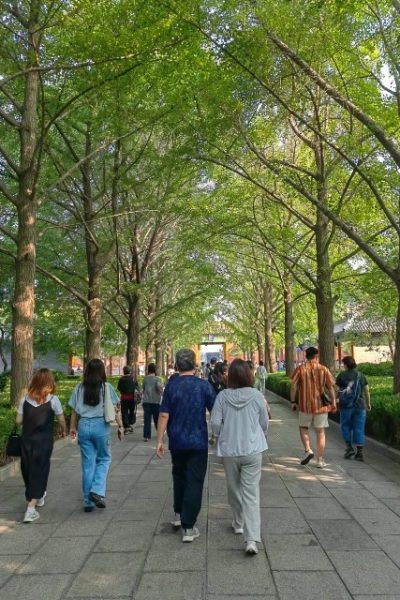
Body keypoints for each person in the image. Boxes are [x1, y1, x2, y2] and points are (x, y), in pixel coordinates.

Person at [156, 348, 216, 542]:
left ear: (176, 365)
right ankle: (188, 526)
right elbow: (215, 411)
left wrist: (159, 440)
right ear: (195, 364)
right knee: (195, 481)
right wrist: (217, 434)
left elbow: (164, 414)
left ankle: (178, 514)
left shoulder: (171, 387)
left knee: (179, 476)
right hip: (198, 441)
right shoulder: (204, 386)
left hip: (177, 440)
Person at [211, 359, 268, 556]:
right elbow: (264, 422)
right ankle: (251, 539)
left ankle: (238, 522)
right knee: (251, 494)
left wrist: (217, 437)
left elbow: (216, 423)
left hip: (230, 449)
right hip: (253, 449)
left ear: (230, 377)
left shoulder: (222, 396)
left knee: (233, 488)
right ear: (249, 375)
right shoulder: (257, 395)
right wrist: (259, 434)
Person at [69, 358, 123, 511]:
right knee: (104, 459)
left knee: (87, 464)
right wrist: (120, 426)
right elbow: (115, 409)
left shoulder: (79, 388)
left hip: (84, 425)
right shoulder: (106, 387)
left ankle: (88, 501)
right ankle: (97, 491)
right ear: (102, 371)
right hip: (101, 426)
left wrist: (72, 427)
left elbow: (74, 410)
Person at [16, 369, 66, 523]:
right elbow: (61, 419)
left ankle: (38, 495)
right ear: (50, 383)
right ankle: (31, 509)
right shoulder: (53, 400)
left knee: (29, 470)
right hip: (44, 442)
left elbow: (18, 421)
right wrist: (64, 430)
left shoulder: (24, 400)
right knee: (40, 470)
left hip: (27, 441)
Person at [290, 347, 337, 468]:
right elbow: (331, 387)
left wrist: (293, 401)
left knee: (303, 427)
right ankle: (320, 460)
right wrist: (334, 403)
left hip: (305, 406)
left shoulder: (300, 369)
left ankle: (308, 450)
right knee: (320, 432)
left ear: (306, 356)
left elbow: (294, 386)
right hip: (321, 406)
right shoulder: (323, 369)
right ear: (317, 356)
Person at [336, 356, 371, 461]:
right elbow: (366, 391)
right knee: (359, 428)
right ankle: (359, 453)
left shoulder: (341, 375)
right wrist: (368, 403)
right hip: (360, 406)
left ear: (345, 365)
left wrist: (336, 401)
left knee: (345, 426)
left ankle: (349, 448)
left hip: (346, 405)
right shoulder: (361, 375)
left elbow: (336, 390)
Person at [142, 362, 163, 441]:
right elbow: (159, 388)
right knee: (157, 419)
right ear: (155, 370)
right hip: (156, 401)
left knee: (147, 419)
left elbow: (143, 389)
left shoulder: (145, 379)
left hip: (146, 401)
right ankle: (159, 434)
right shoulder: (157, 379)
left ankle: (146, 436)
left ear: (148, 370)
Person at [117, 366, 140, 434]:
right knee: (132, 411)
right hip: (132, 398)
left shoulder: (121, 379)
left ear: (124, 371)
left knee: (124, 412)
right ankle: (129, 424)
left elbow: (119, 388)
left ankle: (127, 426)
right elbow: (137, 387)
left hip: (124, 398)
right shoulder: (133, 378)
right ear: (130, 371)